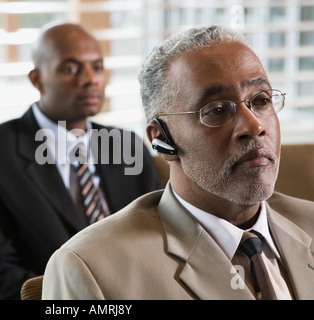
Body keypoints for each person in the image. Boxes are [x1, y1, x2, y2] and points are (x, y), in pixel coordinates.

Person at [41, 25, 314, 300]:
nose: (254, 126)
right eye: (217, 110)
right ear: (162, 138)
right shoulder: (89, 268)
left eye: (261, 100)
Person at [0, 22, 165, 300]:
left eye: (97, 67)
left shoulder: (126, 144)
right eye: (70, 69)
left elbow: (161, 236)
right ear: (37, 79)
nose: (90, 79)